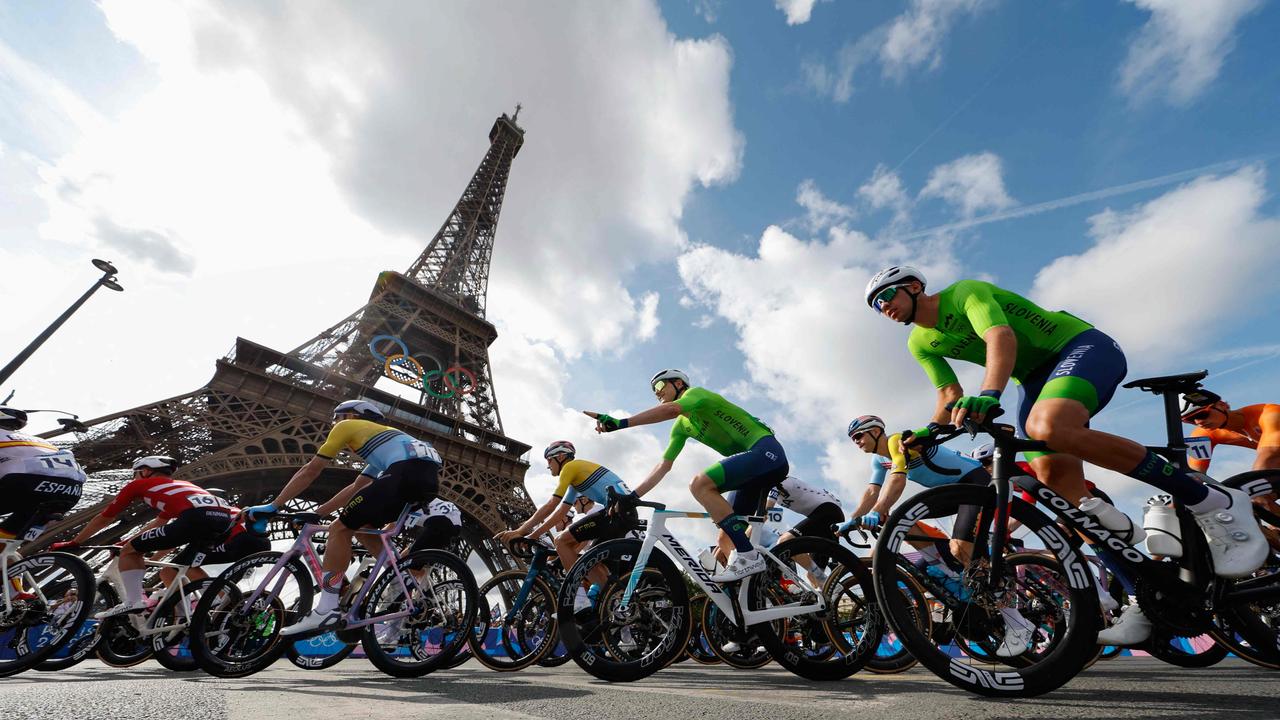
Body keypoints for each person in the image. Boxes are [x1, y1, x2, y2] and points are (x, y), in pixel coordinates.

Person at [865, 266, 1267, 646]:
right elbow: (948, 396)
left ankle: (1210, 499)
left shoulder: (964, 293)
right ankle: (1144, 595)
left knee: (1049, 427)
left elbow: (999, 338)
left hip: (1078, 347)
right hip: (1034, 378)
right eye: (876, 305)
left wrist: (989, 394)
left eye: (886, 295)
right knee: (1063, 495)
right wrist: (925, 432)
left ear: (914, 287)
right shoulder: (919, 341)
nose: (883, 307)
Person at [244, 399, 444, 636]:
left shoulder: (347, 426)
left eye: (336, 418)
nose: (334, 425)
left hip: (402, 474)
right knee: (362, 526)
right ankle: (401, 574)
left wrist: (274, 505)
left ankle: (327, 609)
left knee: (339, 529)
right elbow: (358, 486)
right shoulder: (391, 440)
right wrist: (319, 513)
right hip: (427, 482)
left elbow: (311, 470)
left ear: (351, 415)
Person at [842, 415, 1036, 657]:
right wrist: (851, 520)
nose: (856, 441)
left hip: (975, 482)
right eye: (852, 439)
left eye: (859, 435)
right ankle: (948, 570)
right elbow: (872, 490)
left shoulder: (895, 442)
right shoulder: (879, 461)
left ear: (875, 431)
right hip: (951, 494)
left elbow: (898, 480)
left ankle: (1018, 624)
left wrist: (876, 511)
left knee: (959, 549)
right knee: (899, 522)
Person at [586, 369, 790, 582]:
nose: (657, 393)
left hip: (766, 452)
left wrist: (622, 423)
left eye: (659, 386)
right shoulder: (681, 426)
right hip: (752, 475)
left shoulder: (695, 394)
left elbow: (672, 409)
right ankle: (755, 584)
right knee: (725, 538)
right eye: (654, 391)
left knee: (700, 485)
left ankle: (748, 557)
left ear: (678, 383)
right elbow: (664, 465)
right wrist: (633, 497)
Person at [63, 456, 241, 618]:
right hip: (223, 520)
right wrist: (126, 541)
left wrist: (76, 541)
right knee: (185, 566)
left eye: (136, 474)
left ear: (145, 471)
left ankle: (133, 601)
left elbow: (106, 517)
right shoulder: (182, 487)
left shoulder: (138, 485)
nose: (134, 478)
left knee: (130, 552)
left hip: (196, 517)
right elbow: (158, 524)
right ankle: (217, 601)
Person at [497, 441, 633, 612]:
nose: (548, 466)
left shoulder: (570, 468)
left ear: (560, 457)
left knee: (561, 541)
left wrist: (520, 531)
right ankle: (617, 604)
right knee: (590, 562)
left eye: (549, 460)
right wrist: (532, 536)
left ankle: (578, 600)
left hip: (615, 512)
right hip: (622, 513)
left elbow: (550, 505)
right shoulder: (576, 478)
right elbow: (561, 512)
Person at [0, 407, 86, 548]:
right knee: (8, 541)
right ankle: (11, 564)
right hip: (72, 492)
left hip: (28, 484)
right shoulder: (39, 441)